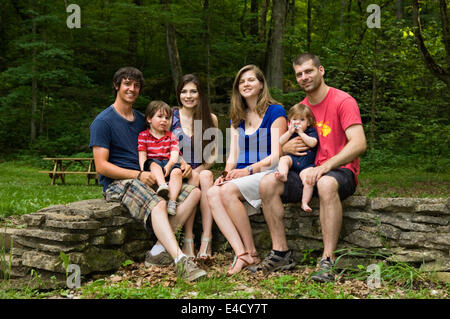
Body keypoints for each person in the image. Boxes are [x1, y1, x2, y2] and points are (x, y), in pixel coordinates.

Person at [255, 53, 367, 282]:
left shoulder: (343, 101)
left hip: (339, 171)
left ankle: (327, 261)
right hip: (305, 173)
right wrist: (286, 150)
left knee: (325, 183)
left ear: (321, 70)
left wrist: (325, 167)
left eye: (309, 71)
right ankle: (281, 254)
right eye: (299, 74)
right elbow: (283, 146)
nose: (304, 77)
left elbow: (359, 143)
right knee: (267, 183)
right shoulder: (300, 110)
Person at [89, 66, 207, 282]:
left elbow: (164, 145)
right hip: (120, 182)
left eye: (136, 85)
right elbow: (101, 166)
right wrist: (137, 175)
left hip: (151, 177)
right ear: (116, 86)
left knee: (194, 193)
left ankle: (157, 250)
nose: (131, 89)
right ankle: (180, 260)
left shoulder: (143, 119)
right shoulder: (103, 122)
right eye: (126, 83)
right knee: (159, 203)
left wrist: (183, 163)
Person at [207, 65, 287, 275]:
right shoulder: (237, 117)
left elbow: (277, 154)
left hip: (268, 170)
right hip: (243, 174)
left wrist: (248, 171)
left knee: (227, 191)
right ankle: (243, 253)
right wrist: (224, 175)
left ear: (261, 85)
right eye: (242, 81)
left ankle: (251, 251)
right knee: (213, 191)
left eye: (251, 80)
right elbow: (233, 155)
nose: (246, 84)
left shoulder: (275, 111)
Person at [171, 74, 219, 259]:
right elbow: (164, 147)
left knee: (204, 176)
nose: (188, 96)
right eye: (184, 91)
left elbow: (213, 155)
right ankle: (188, 238)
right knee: (196, 177)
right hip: (177, 171)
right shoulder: (171, 115)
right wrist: (182, 166)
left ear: (200, 94)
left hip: (201, 169)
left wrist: (197, 170)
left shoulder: (210, 118)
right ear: (179, 94)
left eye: (193, 91)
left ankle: (207, 238)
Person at [138, 101, 182, 216]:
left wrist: (169, 165)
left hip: (168, 163)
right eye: (160, 116)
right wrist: (143, 170)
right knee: (153, 164)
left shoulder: (171, 136)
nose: (164, 120)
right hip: (153, 164)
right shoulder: (143, 136)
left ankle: (172, 201)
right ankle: (162, 185)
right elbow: (142, 155)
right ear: (149, 119)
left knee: (177, 172)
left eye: (167, 118)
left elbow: (174, 154)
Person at [274, 103, 318, 213]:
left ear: (308, 122)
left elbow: (313, 143)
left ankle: (304, 202)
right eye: (294, 119)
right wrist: (289, 132)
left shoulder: (311, 132)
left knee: (308, 181)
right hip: (292, 160)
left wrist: (301, 134)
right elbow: (280, 141)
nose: (297, 122)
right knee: (283, 160)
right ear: (289, 122)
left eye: (302, 120)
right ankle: (283, 174)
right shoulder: (290, 133)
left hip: (307, 165)